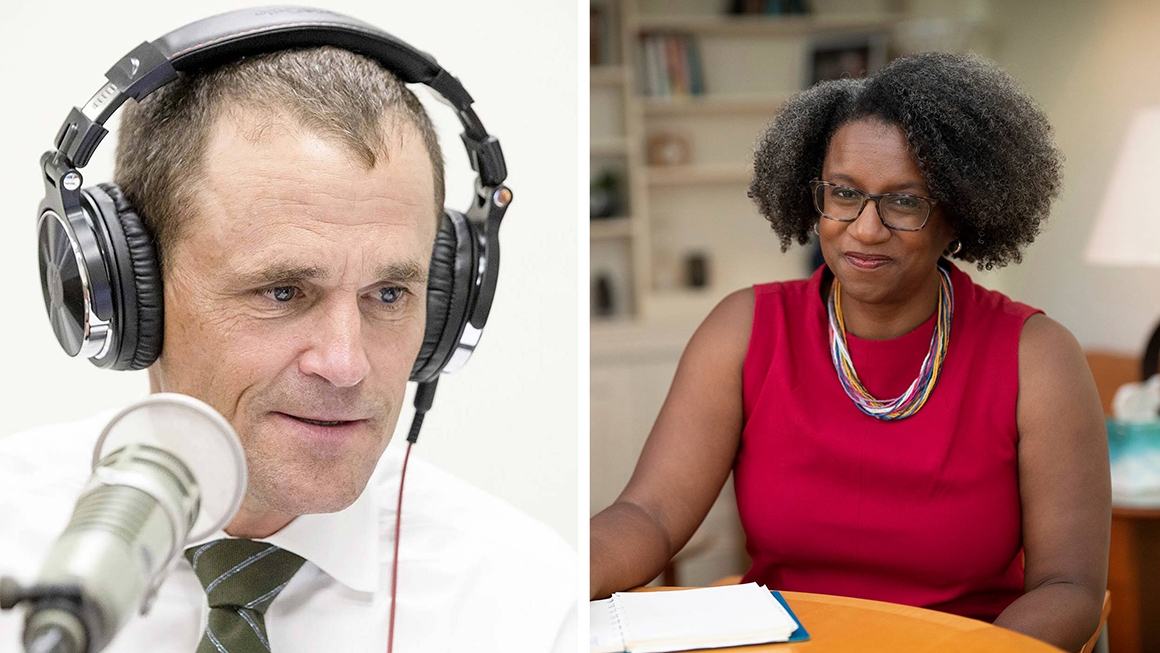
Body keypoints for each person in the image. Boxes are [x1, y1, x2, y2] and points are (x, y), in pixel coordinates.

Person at [0, 12, 574, 653]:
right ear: (128, 291)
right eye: (282, 292)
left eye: (389, 294)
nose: (345, 362)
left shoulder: (527, 600)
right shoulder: (12, 533)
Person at [590, 52, 1109, 652]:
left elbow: (1068, 586)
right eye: (844, 194)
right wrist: (549, 576)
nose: (864, 228)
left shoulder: (1036, 357)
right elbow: (649, 516)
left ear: (960, 216)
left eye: (904, 201)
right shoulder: (744, 329)